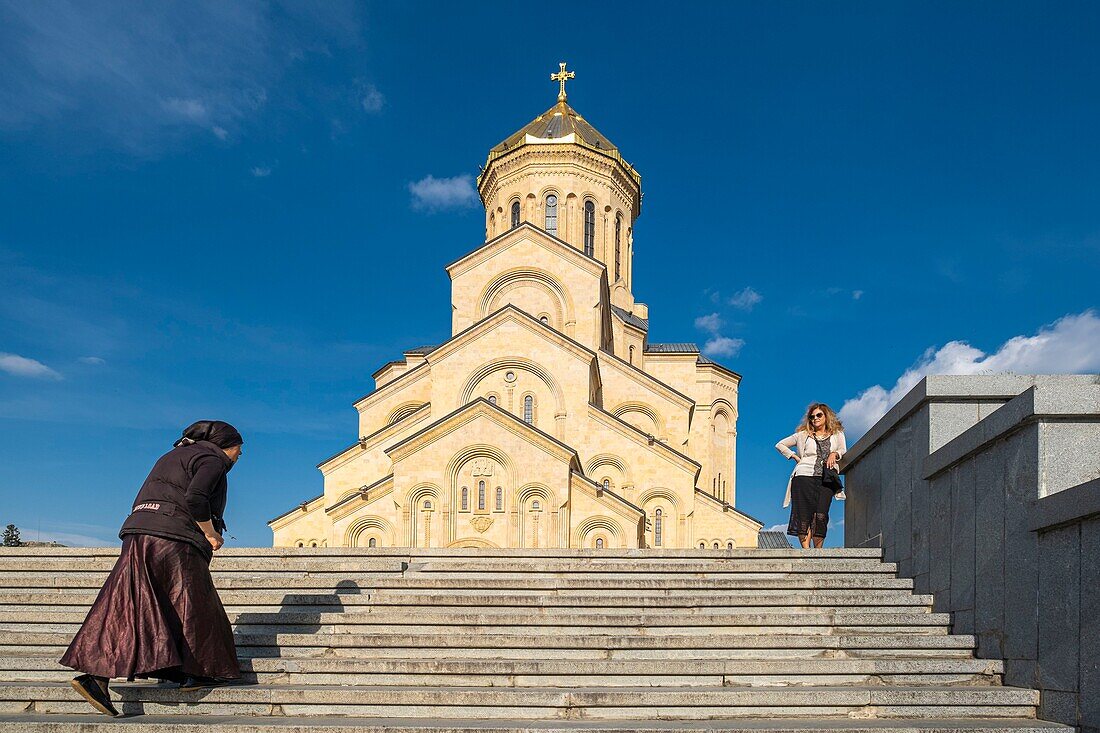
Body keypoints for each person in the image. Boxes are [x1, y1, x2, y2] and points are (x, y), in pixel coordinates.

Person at [60, 420, 244, 716]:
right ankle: (197, 670)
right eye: (238, 450)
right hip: (173, 537)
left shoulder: (173, 455)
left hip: (139, 531)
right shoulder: (212, 459)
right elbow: (196, 498)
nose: (237, 456)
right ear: (226, 444)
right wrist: (210, 533)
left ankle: (98, 678)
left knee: (134, 604)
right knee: (195, 604)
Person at [775, 403, 847, 549]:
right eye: (812, 416)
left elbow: (842, 449)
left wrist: (834, 453)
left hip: (826, 478)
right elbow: (780, 444)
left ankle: (818, 552)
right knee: (803, 516)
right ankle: (806, 552)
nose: (815, 418)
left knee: (820, 515)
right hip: (803, 476)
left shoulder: (837, 433)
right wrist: (794, 457)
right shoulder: (803, 435)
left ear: (826, 416)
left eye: (819, 415)